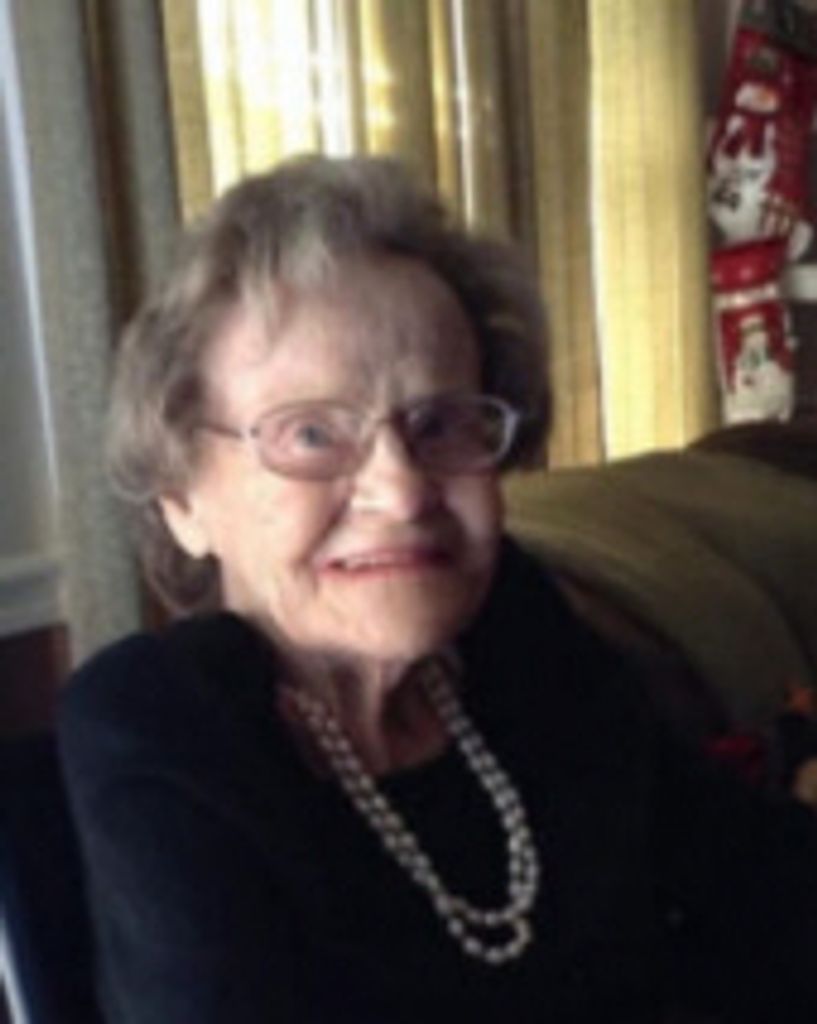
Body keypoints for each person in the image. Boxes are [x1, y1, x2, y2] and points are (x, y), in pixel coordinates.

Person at [58, 154, 817, 1024]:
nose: (403, 490)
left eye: (442, 423)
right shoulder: (162, 721)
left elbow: (763, 882)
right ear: (183, 500)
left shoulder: (514, 630)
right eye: (311, 434)